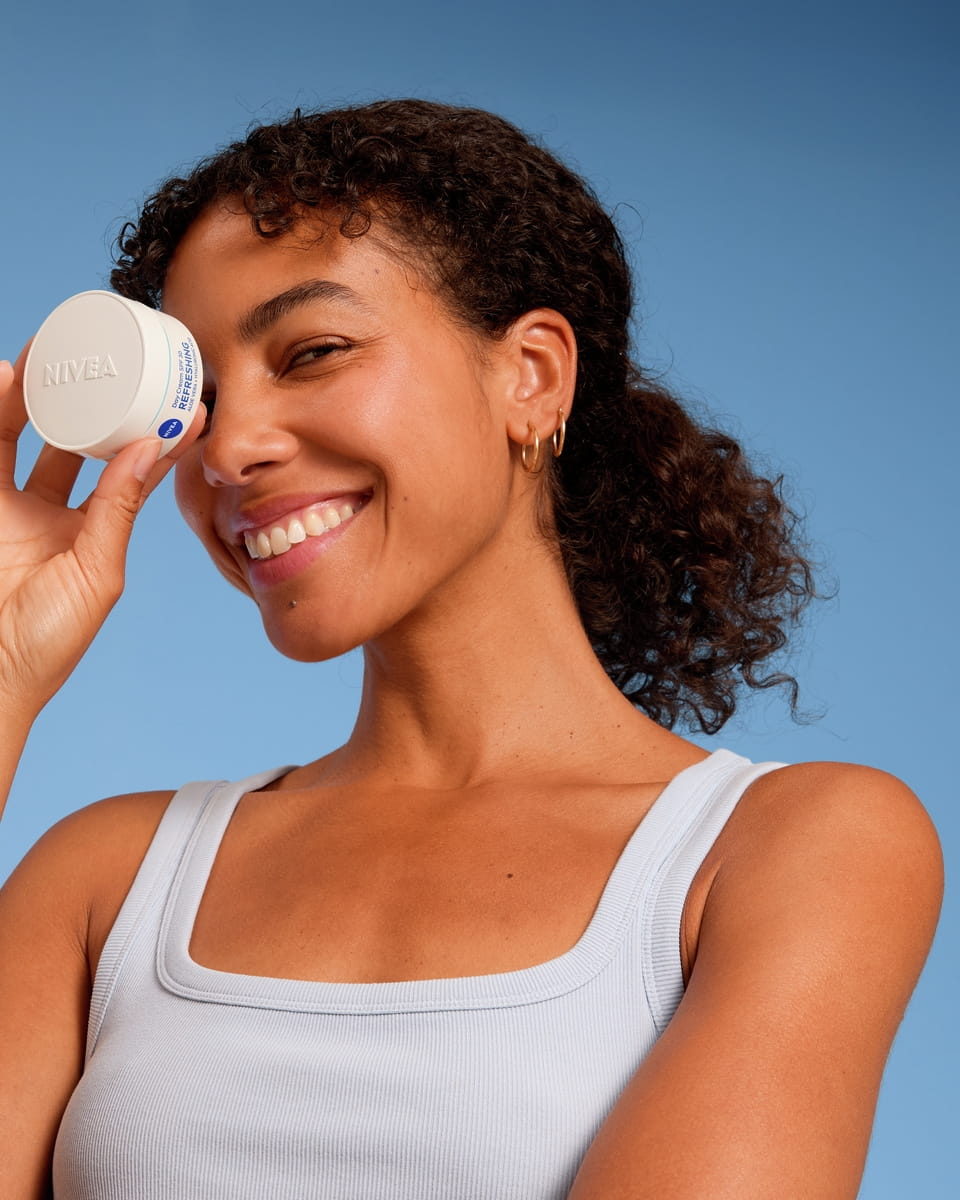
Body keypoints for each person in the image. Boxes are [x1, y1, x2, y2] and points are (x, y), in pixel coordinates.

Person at [0, 99, 942, 1200]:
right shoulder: (102, 880)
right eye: (197, 402)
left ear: (530, 376)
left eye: (313, 352)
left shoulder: (783, 851)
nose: (233, 448)